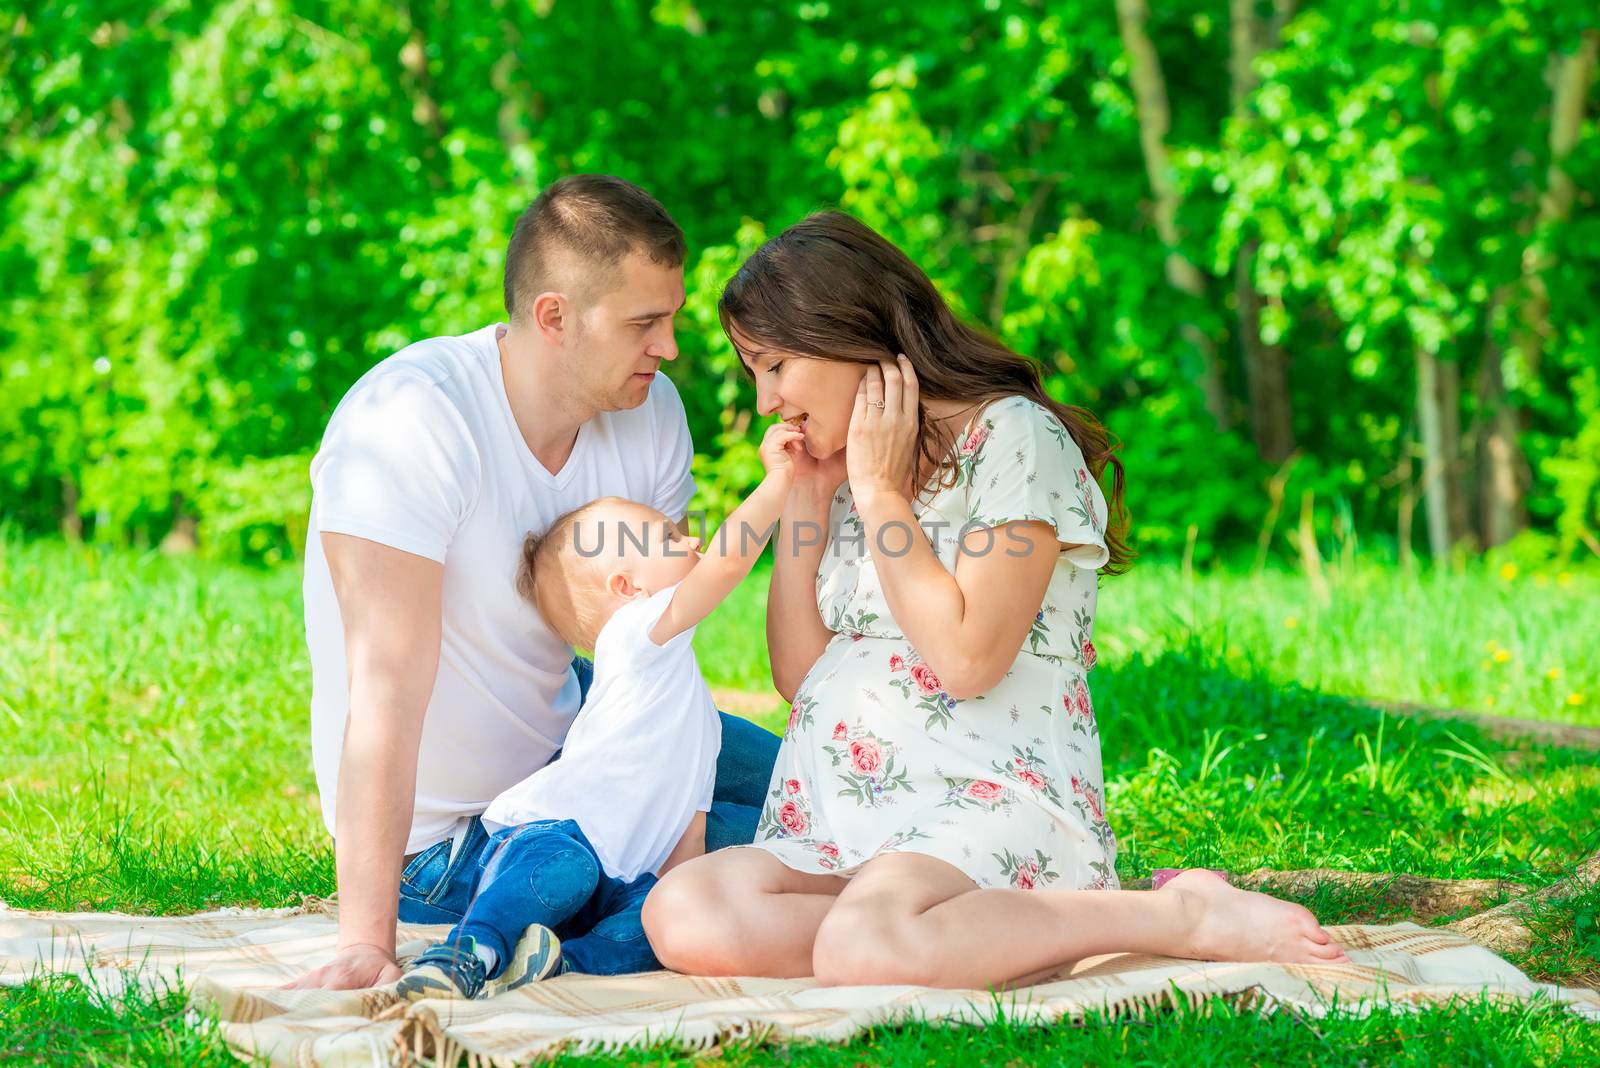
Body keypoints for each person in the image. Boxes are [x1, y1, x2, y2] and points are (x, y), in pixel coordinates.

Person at [642, 211, 1351, 988]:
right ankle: (925, 933)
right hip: (846, 821)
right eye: (755, 373)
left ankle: (1178, 915)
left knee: (862, 949)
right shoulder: (844, 465)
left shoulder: (1014, 439)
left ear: (849, 334)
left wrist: (881, 497)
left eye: (774, 365)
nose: (767, 398)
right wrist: (807, 502)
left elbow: (969, 659)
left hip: (981, 804)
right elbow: (800, 677)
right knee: (684, 911)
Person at [288, 175, 779, 990]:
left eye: (672, 318)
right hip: (455, 837)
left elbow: (655, 630)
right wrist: (366, 943)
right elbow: (385, 692)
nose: (670, 347)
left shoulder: (649, 412)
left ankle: (990, 848)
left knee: (824, 775)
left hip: (584, 732)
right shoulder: (410, 424)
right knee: (772, 841)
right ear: (554, 317)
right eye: (644, 323)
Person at [396, 421, 803, 1000]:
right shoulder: (636, 636)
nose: (691, 543)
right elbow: (726, 564)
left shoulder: (680, 704)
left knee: (657, 927)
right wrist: (778, 482)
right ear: (628, 587)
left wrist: (682, 880)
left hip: (635, 868)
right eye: (669, 540)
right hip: (556, 832)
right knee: (562, 867)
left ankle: (561, 963)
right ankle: (471, 946)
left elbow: (684, 814)